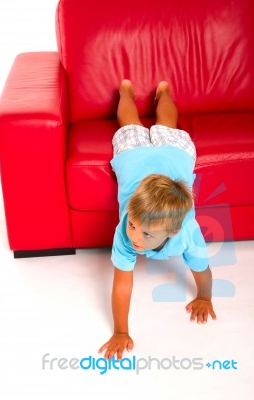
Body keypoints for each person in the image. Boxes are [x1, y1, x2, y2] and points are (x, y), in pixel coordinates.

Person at [98, 80, 217, 360]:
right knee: (131, 125)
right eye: (133, 225)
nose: (135, 237)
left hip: (171, 157)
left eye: (147, 235)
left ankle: (163, 93)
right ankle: (126, 91)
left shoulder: (187, 232)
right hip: (136, 158)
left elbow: (203, 269)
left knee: (165, 125)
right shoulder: (127, 229)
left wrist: (204, 297)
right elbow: (122, 282)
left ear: (173, 231)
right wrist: (120, 331)